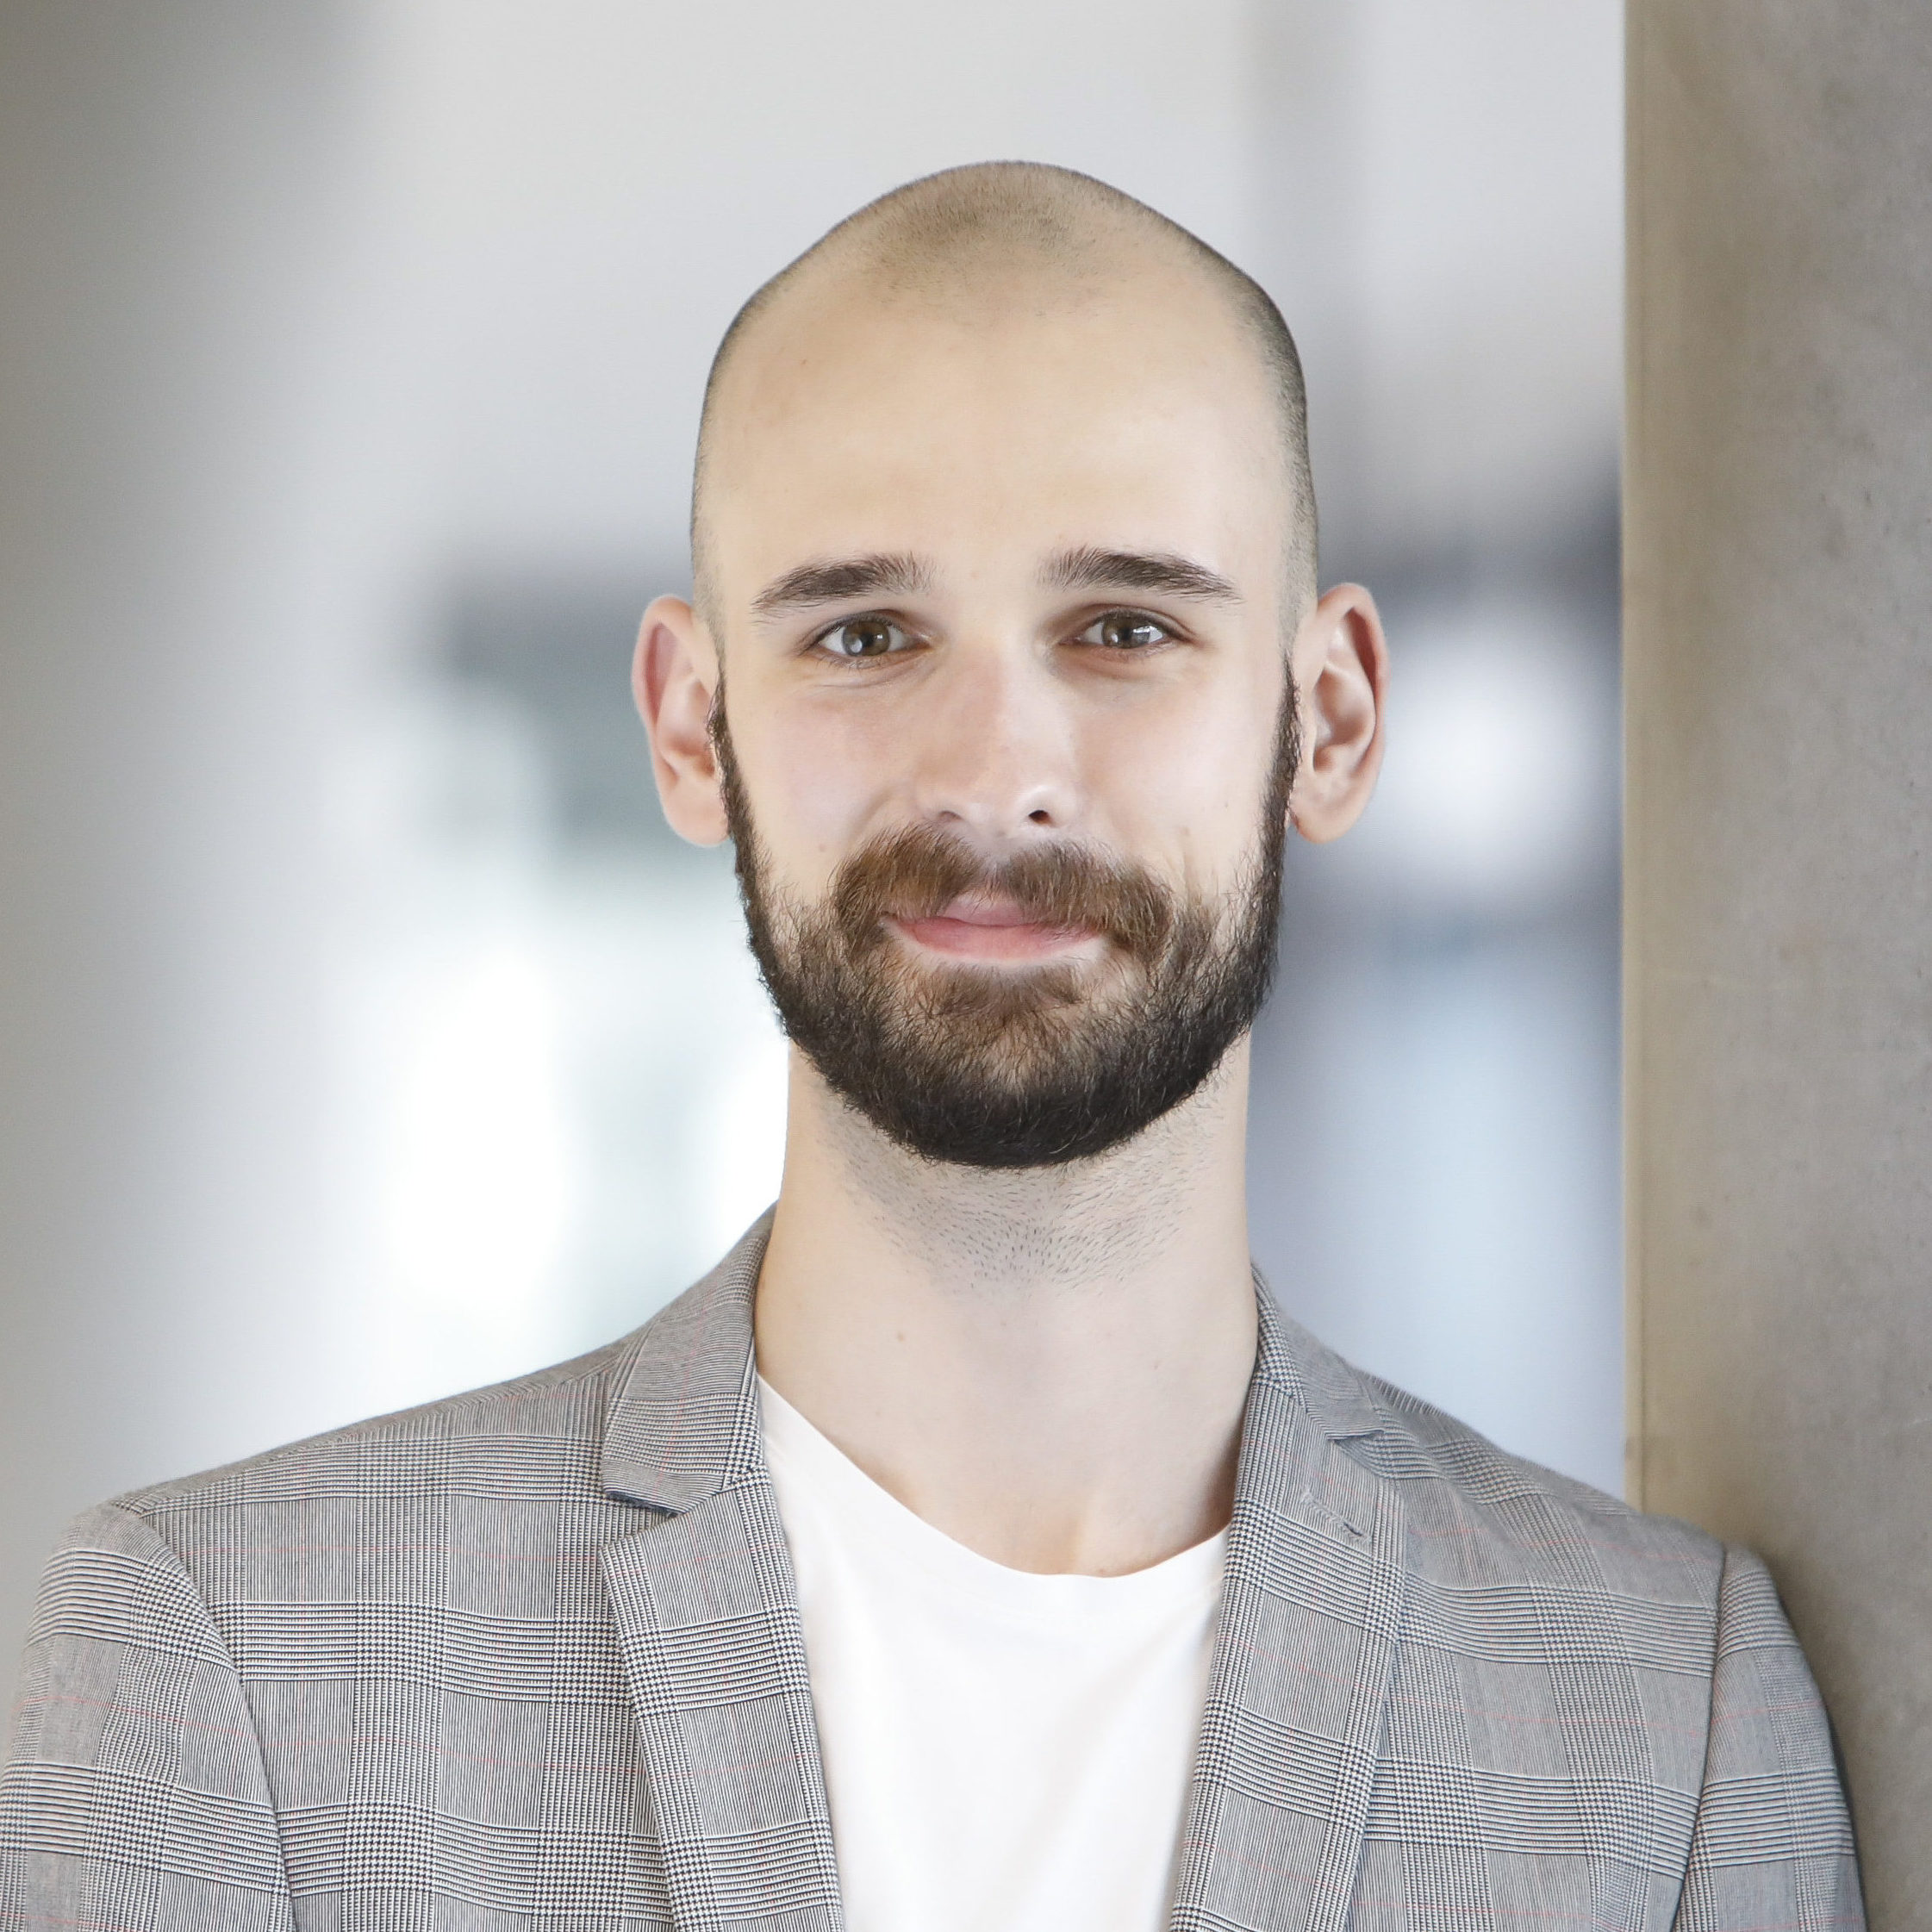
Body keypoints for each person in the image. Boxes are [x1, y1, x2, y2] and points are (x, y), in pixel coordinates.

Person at [1, 162, 1859, 1932]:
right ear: (686, 723)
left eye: (1123, 625)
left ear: (1331, 719)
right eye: (866, 633)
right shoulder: (222, 1663)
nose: (993, 771)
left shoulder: (1660, 1713)